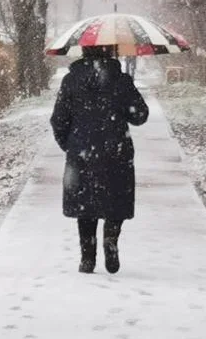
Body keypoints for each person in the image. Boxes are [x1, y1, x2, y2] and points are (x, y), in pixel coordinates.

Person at [50, 45, 150, 274]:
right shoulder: (121, 80)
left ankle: (87, 257)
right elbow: (140, 116)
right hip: (116, 151)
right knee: (115, 200)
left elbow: (58, 120)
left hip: (82, 152)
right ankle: (111, 238)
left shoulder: (70, 81)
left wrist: (71, 145)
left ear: (83, 50)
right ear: (111, 52)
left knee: (85, 205)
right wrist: (126, 95)